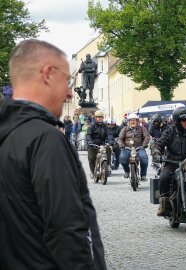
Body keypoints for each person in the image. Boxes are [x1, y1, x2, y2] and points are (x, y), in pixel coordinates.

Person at [0, 39, 106, 269]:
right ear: (48, 74)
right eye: (67, 81)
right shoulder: (45, 139)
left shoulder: (8, 133)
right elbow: (68, 230)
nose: (69, 93)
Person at [118, 113, 150, 180]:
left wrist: (144, 144)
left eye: (134, 120)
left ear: (137, 121)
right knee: (122, 158)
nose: (133, 121)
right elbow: (120, 138)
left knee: (144, 158)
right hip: (127, 148)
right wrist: (121, 144)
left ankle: (143, 175)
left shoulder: (142, 128)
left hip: (139, 148)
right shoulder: (125, 129)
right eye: (131, 120)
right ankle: (127, 171)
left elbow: (147, 136)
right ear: (129, 121)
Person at [86, 110, 112, 177]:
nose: (100, 118)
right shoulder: (91, 126)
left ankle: (108, 164)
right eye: (98, 117)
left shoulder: (105, 126)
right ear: (95, 118)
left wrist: (110, 141)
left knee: (108, 148)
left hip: (103, 144)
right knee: (91, 158)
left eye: (101, 117)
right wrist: (90, 141)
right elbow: (88, 135)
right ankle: (92, 171)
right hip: (93, 144)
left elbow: (109, 135)